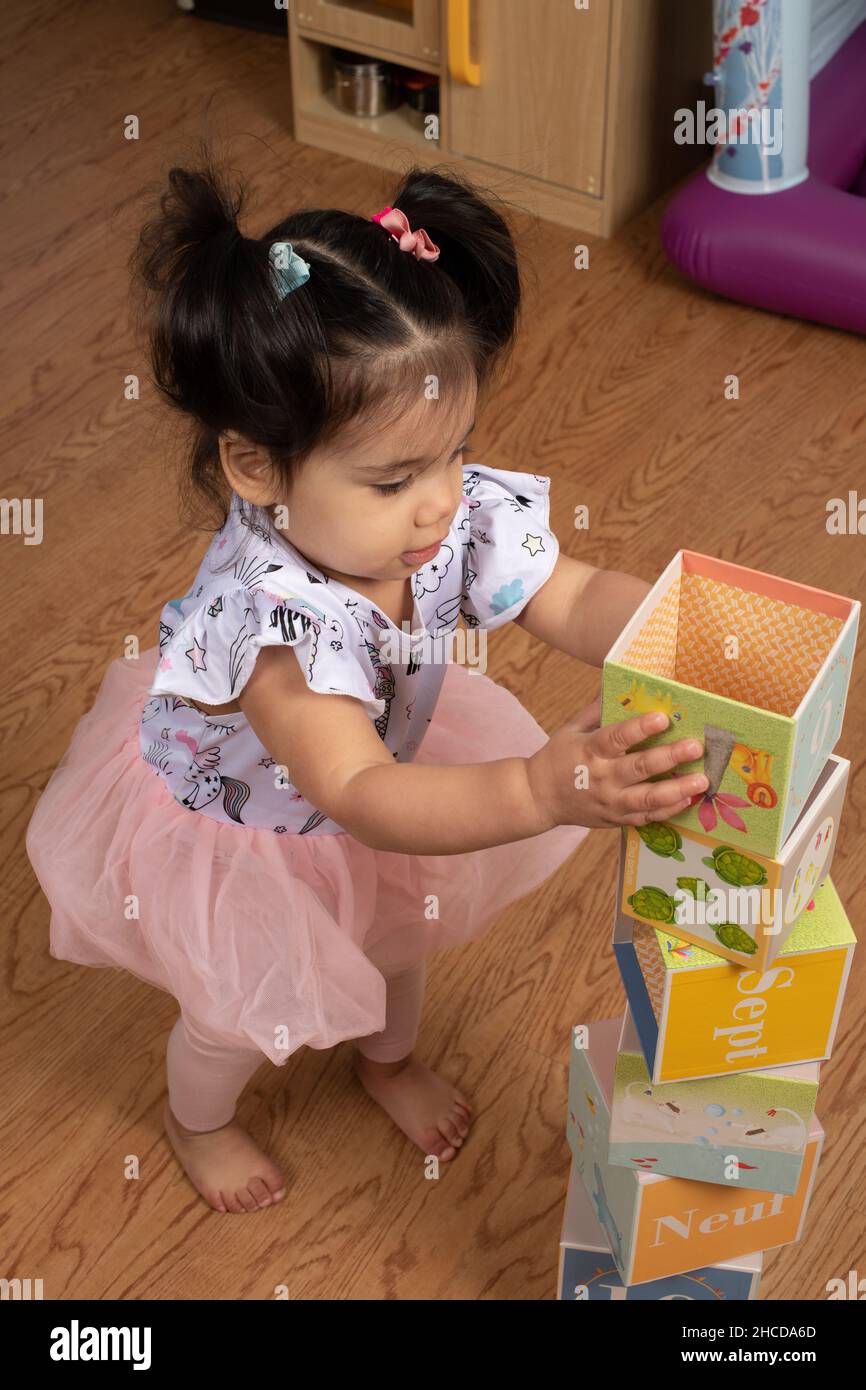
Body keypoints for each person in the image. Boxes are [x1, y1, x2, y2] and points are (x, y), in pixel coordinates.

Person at [25, 152, 708, 1215]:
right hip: (253, 826)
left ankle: (386, 1060)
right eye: (395, 480)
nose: (440, 505)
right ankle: (194, 1117)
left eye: (455, 453)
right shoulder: (275, 630)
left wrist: (677, 627)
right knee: (233, 1011)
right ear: (257, 468)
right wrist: (536, 791)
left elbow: (566, 596)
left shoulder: (433, 508)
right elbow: (359, 797)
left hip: (387, 775)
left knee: (403, 933)